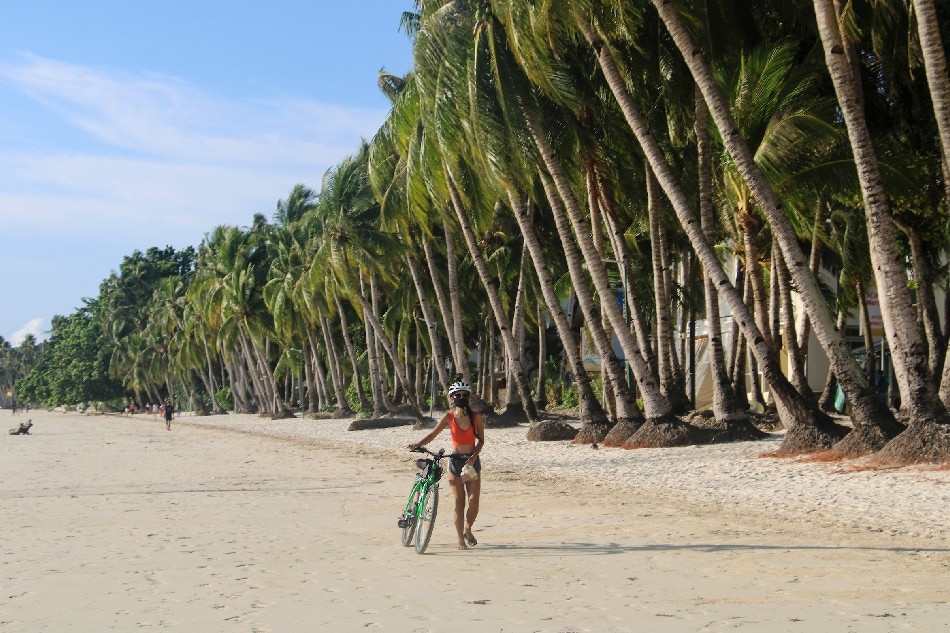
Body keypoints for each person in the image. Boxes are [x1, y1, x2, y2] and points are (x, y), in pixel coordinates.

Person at [408, 379, 484, 550]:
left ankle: (467, 529)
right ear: (452, 397)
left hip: (471, 463)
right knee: (459, 502)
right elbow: (433, 435)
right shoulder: (448, 417)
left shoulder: (476, 417)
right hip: (455, 463)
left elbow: (481, 441)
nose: (461, 397)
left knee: (474, 502)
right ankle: (459, 540)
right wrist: (418, 444)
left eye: (465, 395)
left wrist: (473, 457)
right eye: (458, 395)